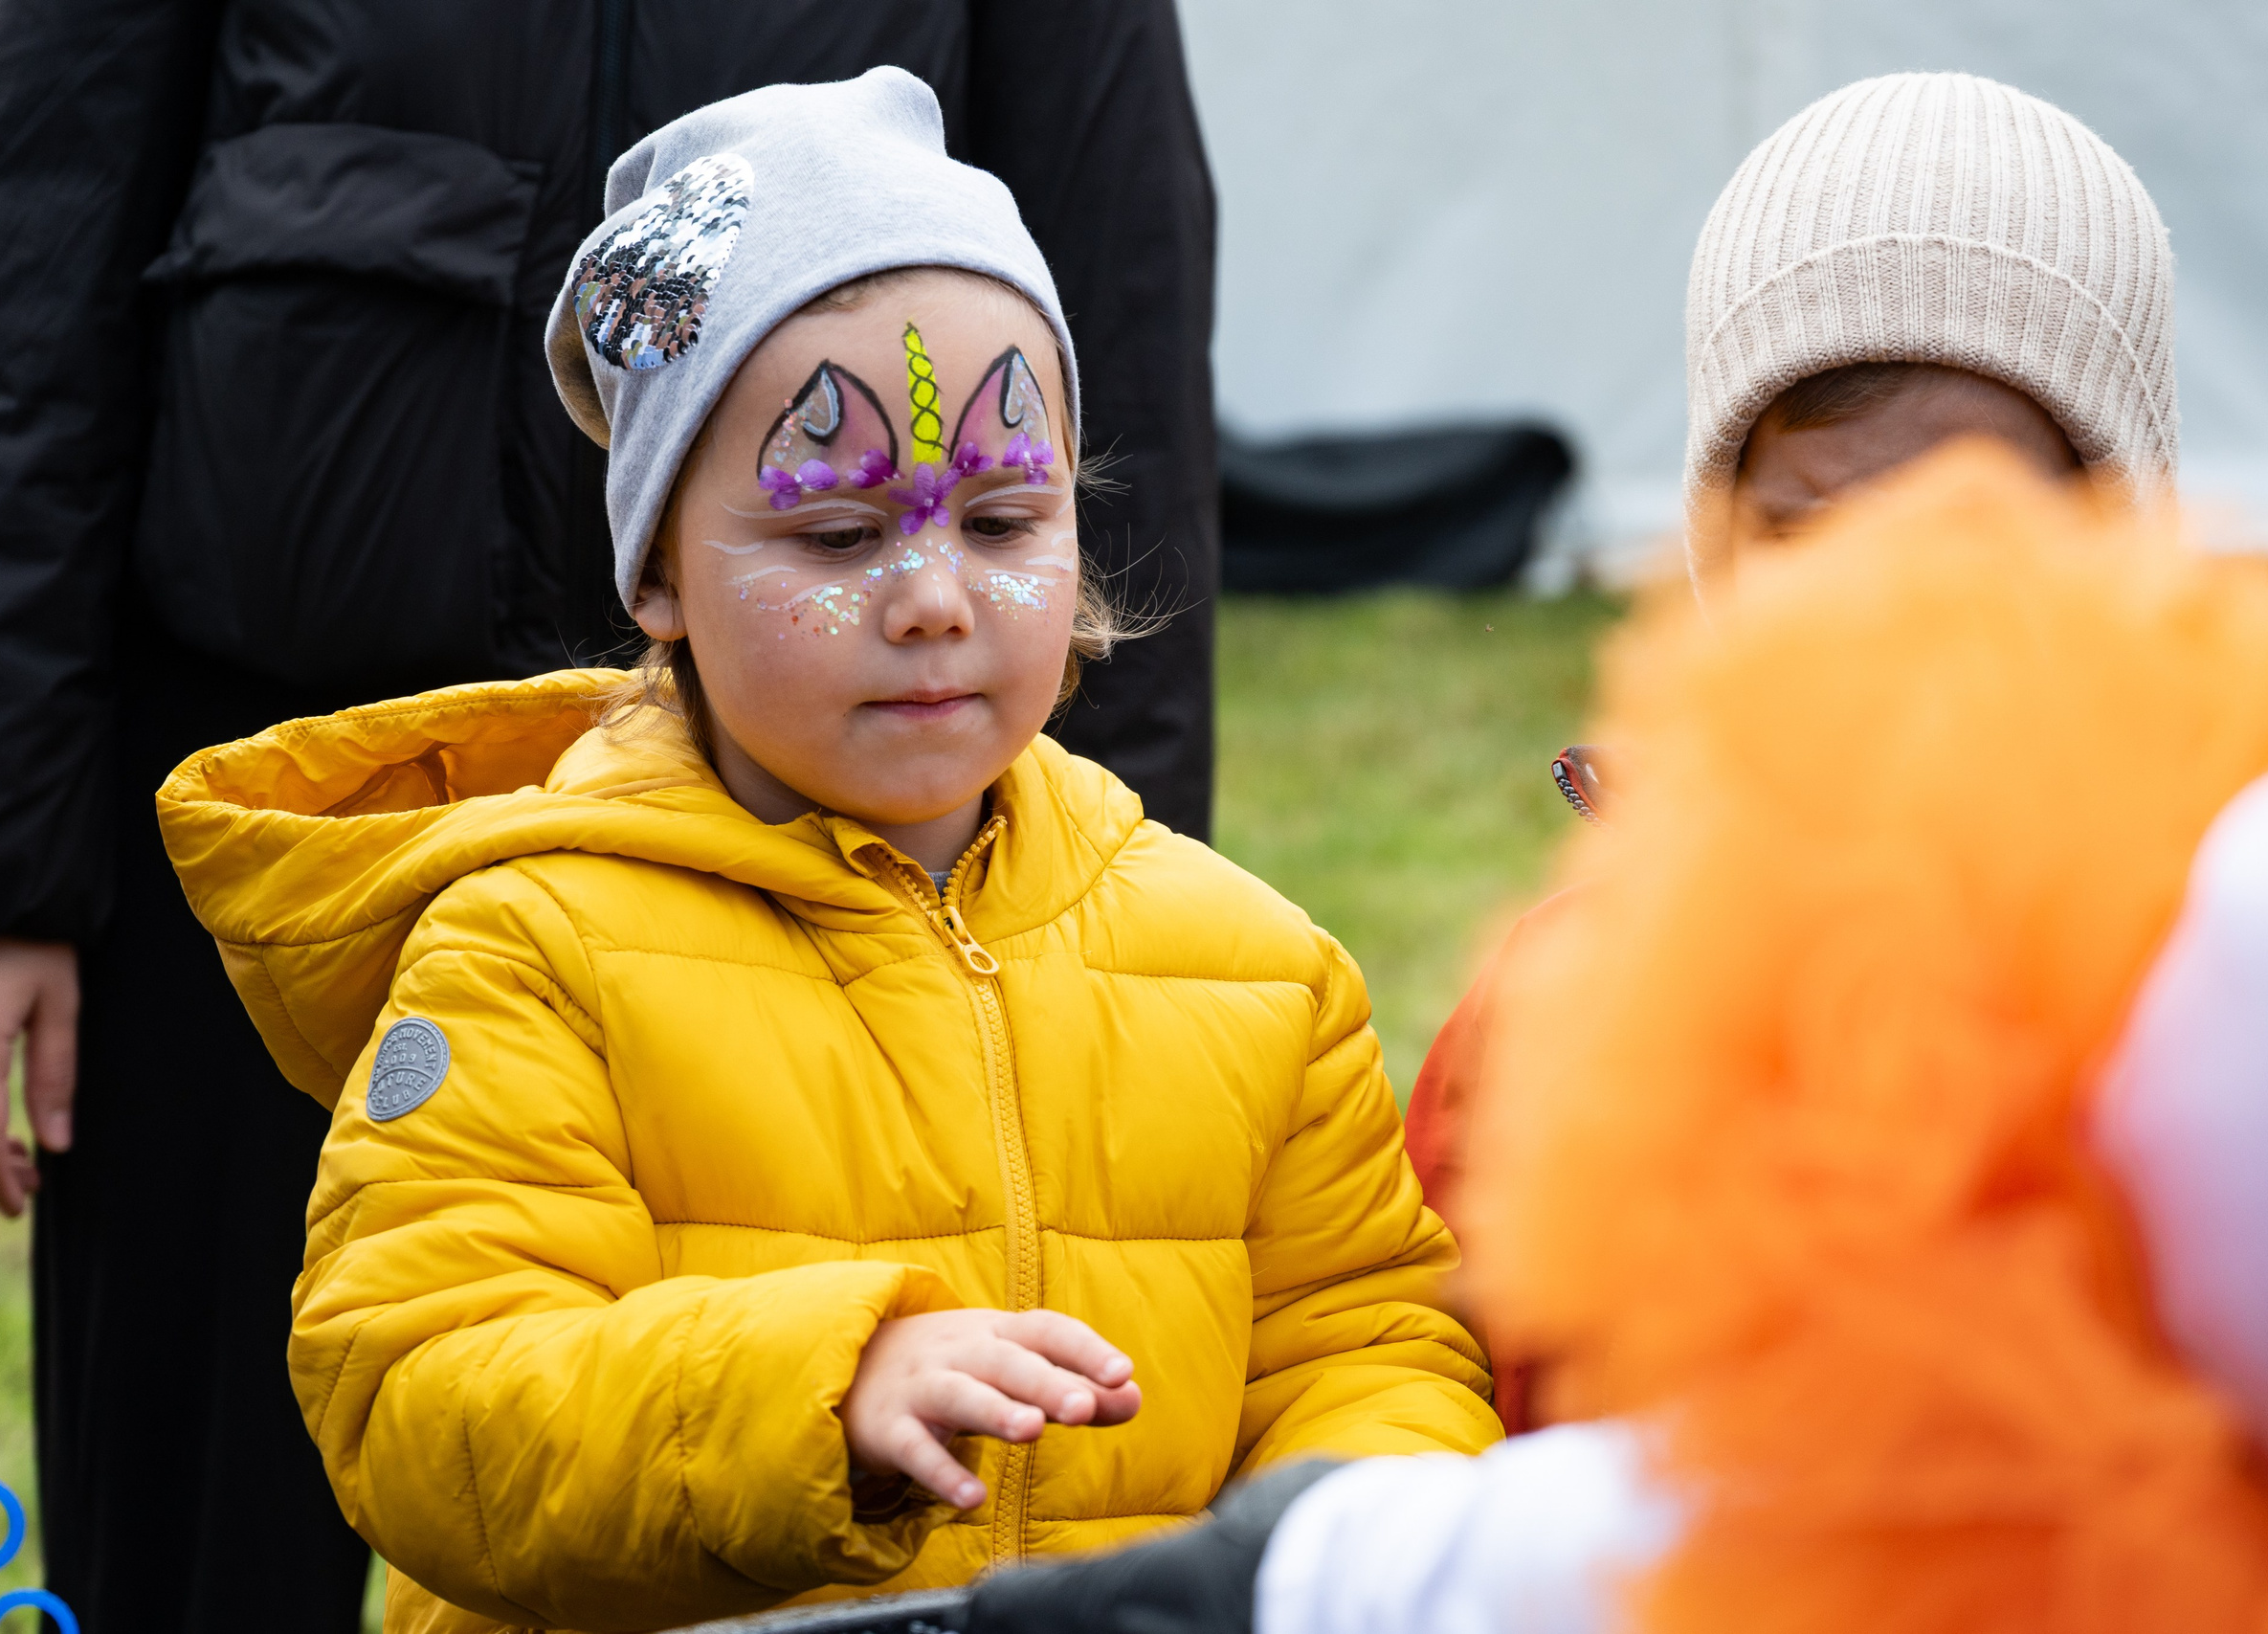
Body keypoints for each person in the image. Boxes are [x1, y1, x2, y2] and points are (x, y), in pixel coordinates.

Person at [0, 4, 1215, 1628]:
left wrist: (1110, 894)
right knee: (204, 1513)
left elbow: (1112, 288)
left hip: (804, 800)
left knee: (759, 1463)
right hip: (257, 800)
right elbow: (20, 252)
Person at [157, 73, 1496, 1634]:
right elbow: (426, 1406)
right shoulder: (532, 954)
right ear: (657, 570)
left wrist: (1331, 1540)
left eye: (1002, 520)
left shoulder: (1254, 969)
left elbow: (1368, 1343)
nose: (932, 598)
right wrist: (810, 1392)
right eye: (839, 538)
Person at [789, 446, 2268, 1634]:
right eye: (1806, 526)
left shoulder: (2222, 932)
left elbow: (1368, 1351)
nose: (1898, 590)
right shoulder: (1576, 998)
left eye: (1988, 513)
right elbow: (1485, 1377)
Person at [1401, 77, 2183, 1378]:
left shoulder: (2220, 980)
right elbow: (1444, 1389)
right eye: (1803, 534)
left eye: (1961, 534)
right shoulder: (1568, 1000)